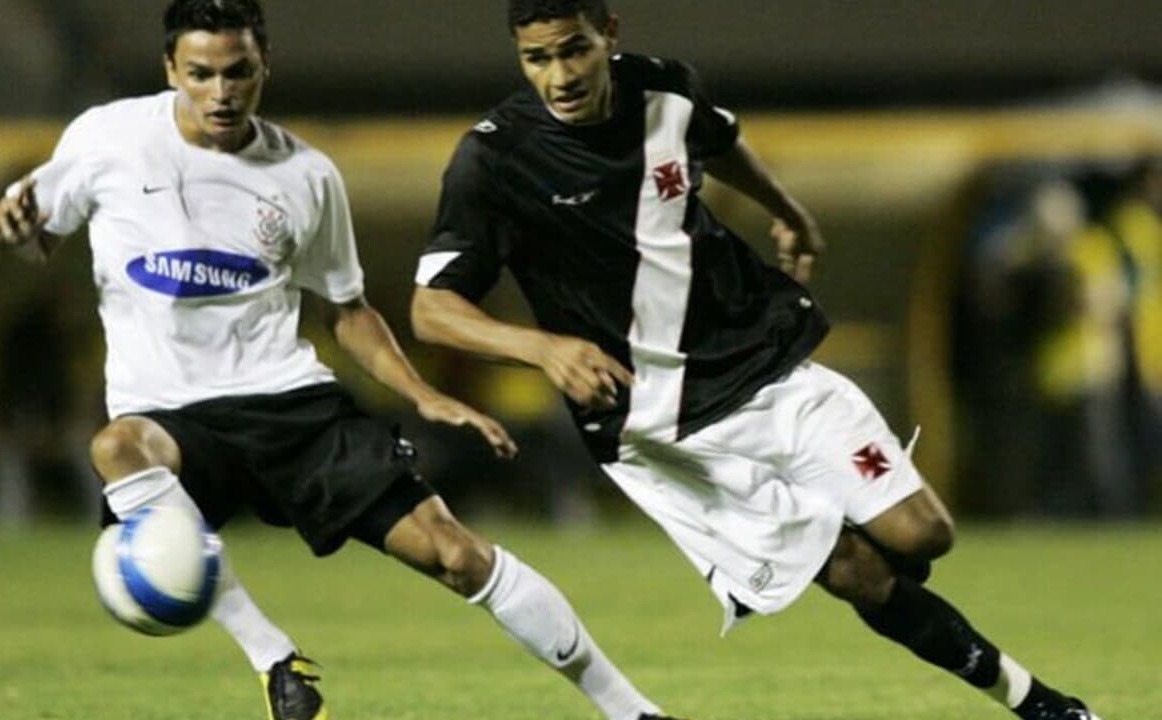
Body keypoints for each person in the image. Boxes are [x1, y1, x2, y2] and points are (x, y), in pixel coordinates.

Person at [0, 2, 679, 720]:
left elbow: (346, 310)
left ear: (263, 67)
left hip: (289, 406)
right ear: (171, 71)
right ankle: (275, 659)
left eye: (238, 72)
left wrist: (422, 394)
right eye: (201, 75)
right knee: (119, 446)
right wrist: (11, 228)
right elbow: (33, 229)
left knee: (454, 554)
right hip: (170, 416)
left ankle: (632, 711)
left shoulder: (305, 174)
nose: (221, 92)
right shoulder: (108, 138)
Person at [410, 1, 1105, 718]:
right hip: (661, 426)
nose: (559, 75)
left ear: (609, 35)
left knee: (923, 534)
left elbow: (720, 139)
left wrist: (786, 207)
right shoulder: (494, 159)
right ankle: (1045, 705)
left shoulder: (667, 90)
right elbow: (432, 308)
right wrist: (540, 346)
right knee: (859, 573)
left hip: (764, 362)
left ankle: (861, 566)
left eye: (574, 50)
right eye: (537, 58)